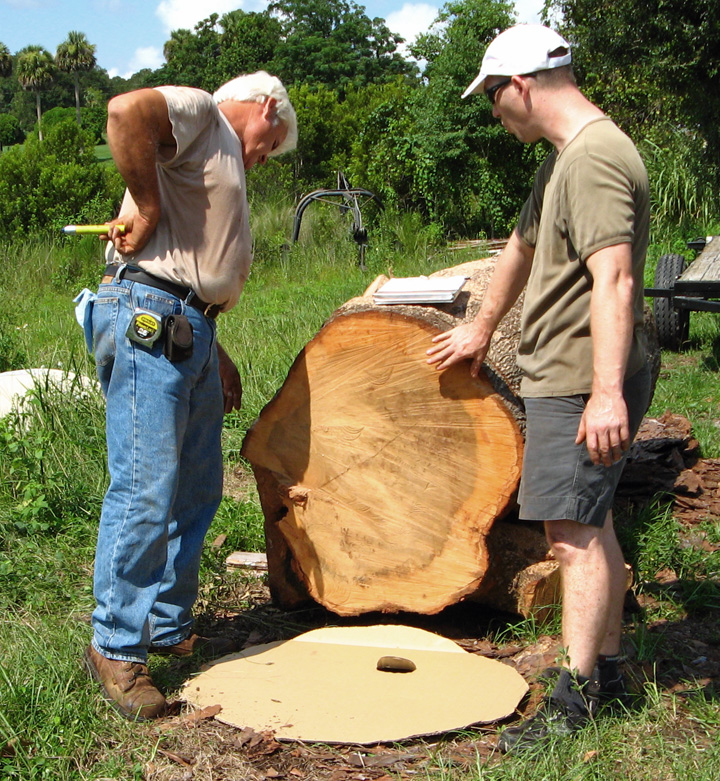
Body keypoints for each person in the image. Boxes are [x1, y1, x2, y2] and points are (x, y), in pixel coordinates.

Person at [426, 25, 651, 753]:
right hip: (567, 370)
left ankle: (575, 697)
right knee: (594, 522)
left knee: (572, 536)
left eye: (494, 96)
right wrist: (481, 328)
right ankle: (610, 671)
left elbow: (614, 277)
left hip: (583, 374)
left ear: (521, 84)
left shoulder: (594, 160)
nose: (494, 111)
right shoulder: (563, 161)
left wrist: (606, 391)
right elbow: (521, 246)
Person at [80, 72, 297, 721]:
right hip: (151, 314)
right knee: (147, 484)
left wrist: (215, 347)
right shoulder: (205, 114)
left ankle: (167, 623)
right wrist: (144, 206)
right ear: (266, 106)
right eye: (271, 142)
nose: (264, 156)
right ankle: (116, 644)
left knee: (198, 485)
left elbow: (195, 258)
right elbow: (124, 113)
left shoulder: (218, 145)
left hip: (189, 325)